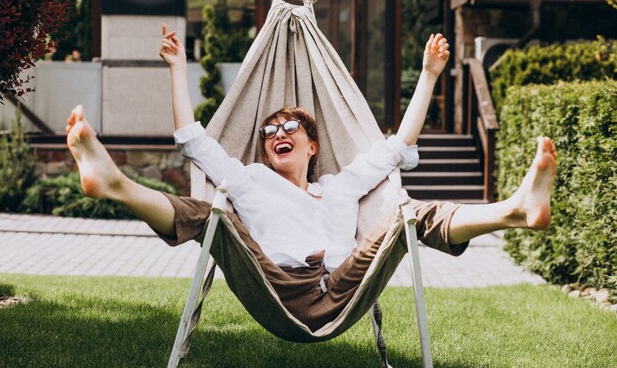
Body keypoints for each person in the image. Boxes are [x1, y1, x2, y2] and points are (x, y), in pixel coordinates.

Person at [65, 26, 557, 330]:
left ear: (313, 146)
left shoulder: (341, 185)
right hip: (279, 284)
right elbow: (194, 140)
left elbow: (395, 150)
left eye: (290, 127)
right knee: (211, 215)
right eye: (269, 130)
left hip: (344, 285)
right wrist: (177, 68)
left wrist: (428, 75)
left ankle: (514, 211)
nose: (277, 132)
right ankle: (115, 185)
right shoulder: (250, 178)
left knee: (407, 211)